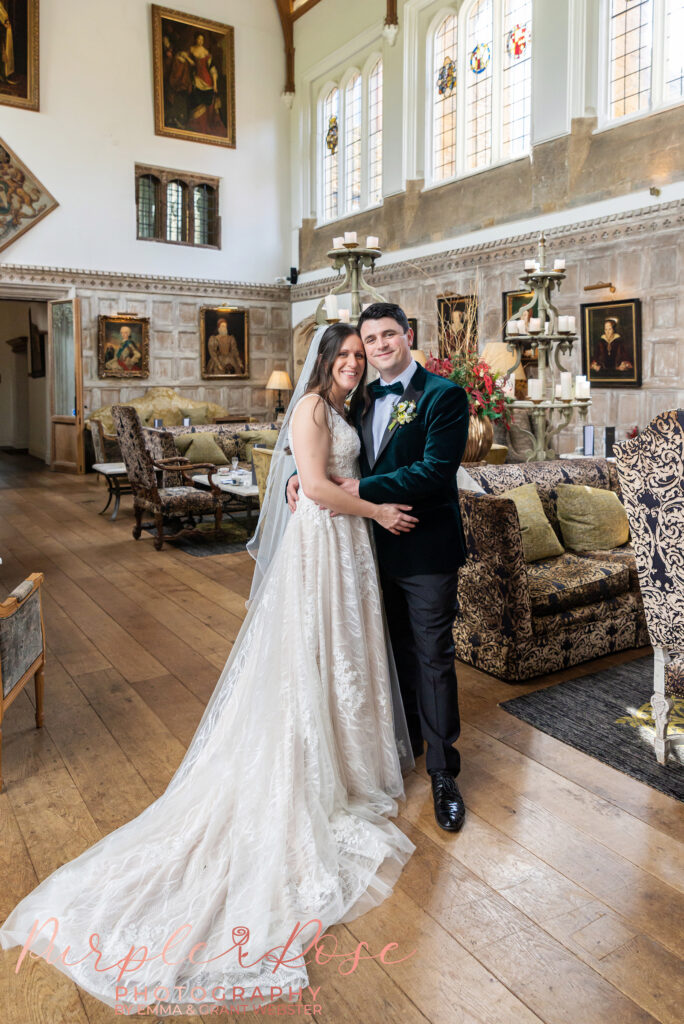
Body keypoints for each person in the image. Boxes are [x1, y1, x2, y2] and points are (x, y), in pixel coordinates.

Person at [0, 323, 417, 1015]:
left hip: (343, 545)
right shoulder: (315, 408)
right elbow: (312, 485)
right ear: (322, 360)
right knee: (312, 656)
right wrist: (371, 506)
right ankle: (315, 768)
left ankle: (345, 757)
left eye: (356, 355)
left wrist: (351, 489)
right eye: (341, 354)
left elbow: (320, 476)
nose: (350, 363)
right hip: (328, 540)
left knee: (338, 656)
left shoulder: (345, 408)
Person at [287, 303, 469, 832]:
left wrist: (362, 490)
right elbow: (321, 458)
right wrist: (298, 482)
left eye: (389, 334)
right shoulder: (358, 400)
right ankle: (402, 749)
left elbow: (436, 471)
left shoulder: (443, 395)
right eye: (370, 339)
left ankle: (443, 772)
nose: (379, 345)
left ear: (408, 336)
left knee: (433, 655)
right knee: (387, 654)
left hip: (424, 548)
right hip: (362, 551)